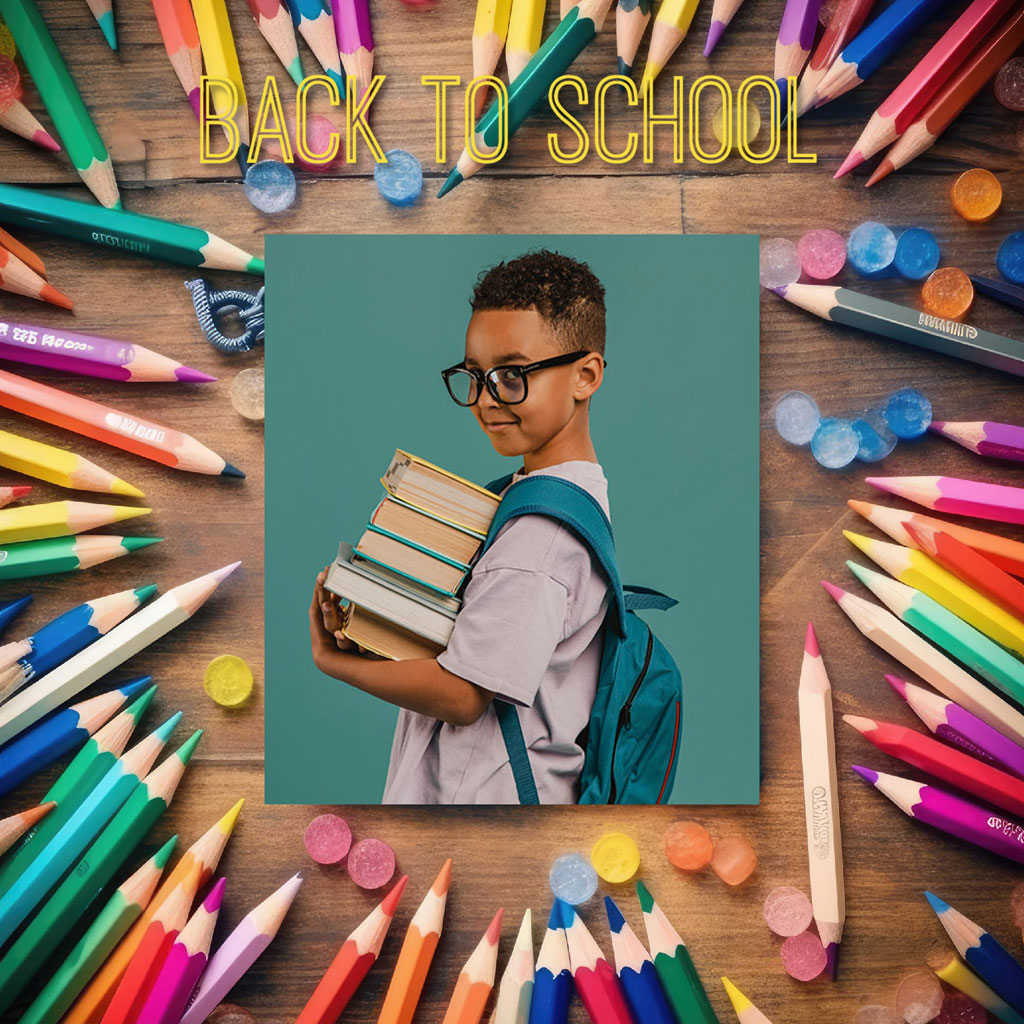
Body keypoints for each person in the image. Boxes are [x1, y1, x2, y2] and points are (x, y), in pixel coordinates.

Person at [309, 249, 611, 803]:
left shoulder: (541, 540)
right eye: (475, 376)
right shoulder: (533, 499)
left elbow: (464, 693)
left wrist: (334, 664)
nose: (487, 400)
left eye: (511, 376)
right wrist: (368, 640)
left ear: (584, 376)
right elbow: (474, 652)